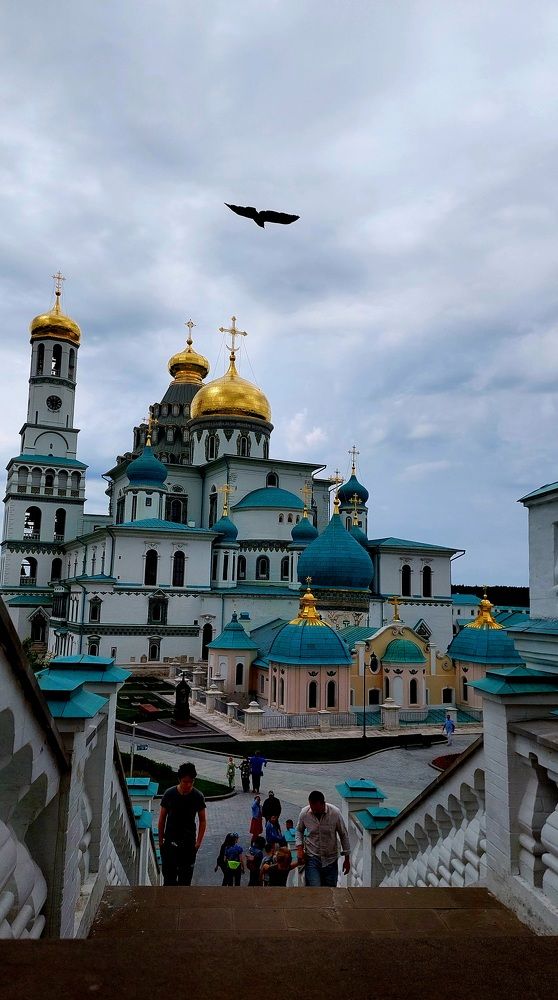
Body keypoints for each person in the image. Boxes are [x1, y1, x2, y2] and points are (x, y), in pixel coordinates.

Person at [158, 761, 206, 886]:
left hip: (189, 843)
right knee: (169, 879)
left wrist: (198, 842)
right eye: (185, 781)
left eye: (191, 782)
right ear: (179, 780)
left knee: (185, 880)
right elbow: (162, 818)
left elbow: (202, 820)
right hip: (170, 842)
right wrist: (161, 841)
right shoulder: (169, 794)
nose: (188, 785)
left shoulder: (198, 796)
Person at [295, 790, 350, 888]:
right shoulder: (305, 813)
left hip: (331, 859)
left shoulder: (335, 813)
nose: (314, 812)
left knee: (330, 890)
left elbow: (343, 834)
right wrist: (299, 848)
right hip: (312, 858)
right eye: (312, 809)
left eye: (317, 809)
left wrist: (347, 859)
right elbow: (299, 830)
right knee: (315, 889)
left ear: (323, 804)